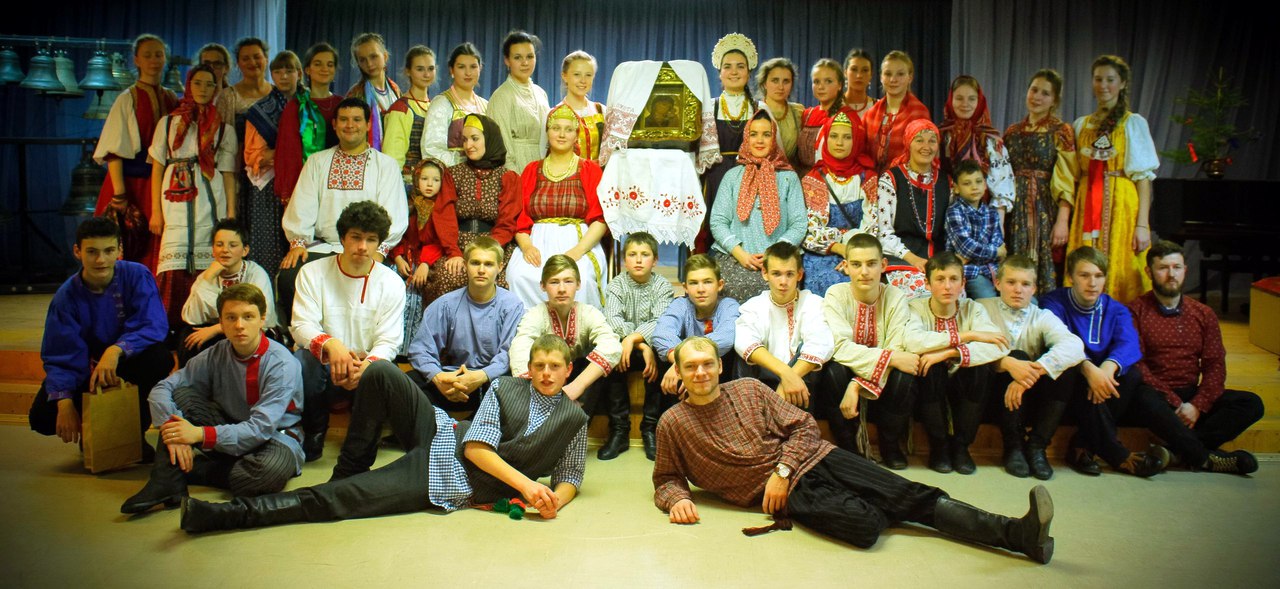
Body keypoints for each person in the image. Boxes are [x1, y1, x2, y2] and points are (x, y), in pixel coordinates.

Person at [653, 336, 1057, 564]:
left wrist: (782, 471)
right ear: (680, 372)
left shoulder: (749, 389)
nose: (701, 372)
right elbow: (666, 478)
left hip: (813, 460)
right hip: (791, 494)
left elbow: (804, 425)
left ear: (720, 366)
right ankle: (889, 502)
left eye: (707, 363)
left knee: (914, 494)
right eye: (691, 366)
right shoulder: (673, 423)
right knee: (865, 527)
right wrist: (678, 500)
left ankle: (1017, 534)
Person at [180, 334, 589, 532]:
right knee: (380, 372)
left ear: (568, 370)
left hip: (449, 478)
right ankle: (348, 471)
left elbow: (570, 475)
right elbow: (476, 448)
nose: (546, 373)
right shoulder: (504, 387)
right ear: (528, 368)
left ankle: (227, 515)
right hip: (446, 436)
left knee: (340, 502)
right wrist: (528, 486)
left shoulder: (574, 419)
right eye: (539, 366)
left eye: (555, 366)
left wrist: (553, 499)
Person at [121, 284, 303, 514]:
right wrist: (173, 431)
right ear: (221, 322)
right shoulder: (216, 353)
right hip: (228, 424)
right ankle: (166, 482)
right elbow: (163, 388)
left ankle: (191, 470)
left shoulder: (281, 363)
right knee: (180, 395)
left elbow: (260, 429)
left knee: (266, 475)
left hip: (275, 437)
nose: (239, 325)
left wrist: (198, 434)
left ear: (262, 319)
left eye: (248, 317)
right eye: (231, 317)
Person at [28, 218, 173, 455]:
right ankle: (94, 431)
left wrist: (116, 350)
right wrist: (64, 402)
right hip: (87, 372)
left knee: (159, 358)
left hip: (127, 362)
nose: (100, 260)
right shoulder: (66, 297)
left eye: (108, 250)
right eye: (92, 252)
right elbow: (61, 353)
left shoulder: (137, 275)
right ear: (77, 251)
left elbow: (152, 324)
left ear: (119, 250)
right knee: (42, 417)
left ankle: (133, 435)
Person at [1127, 241, 1262, 474]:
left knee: (1251, 403)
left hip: (1191, 395)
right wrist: (1177, 404)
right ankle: (1205, 458)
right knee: (1142, 396)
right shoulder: (1134, 311)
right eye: (1163, 268)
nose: (1171, 274)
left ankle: (1176, 452)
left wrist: (1197, 405)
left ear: (1185, 270)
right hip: (1155, 398)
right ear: (1149, 272)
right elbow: (1138, 365)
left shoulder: (1203, 313)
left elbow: (1215, 364)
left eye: (1177, 267)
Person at [290, 201, 405, 461]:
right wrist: (332, 345)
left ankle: (361, 440)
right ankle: (314, 431)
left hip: (364, 367)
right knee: (302, 361)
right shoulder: (312, 272)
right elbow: (301, 325)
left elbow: (389, 340)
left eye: (371, 239)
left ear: (379, 244)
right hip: (325, 363)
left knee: (384, 370)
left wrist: (366, 366)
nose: (362, 246)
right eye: (355, 237)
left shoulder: (392, 282)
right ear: (342, 238)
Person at [278, 97, 407, 325]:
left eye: (357, 120)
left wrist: (379, 250)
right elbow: (303, 204)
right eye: (344, 120)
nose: (350, 125)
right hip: (322, 248)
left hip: (365, 248)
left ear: (368, 124)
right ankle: (306, 337)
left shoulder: (386, 166)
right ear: (334, 124)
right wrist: (297, 242)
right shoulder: (317, 162)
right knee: (289, 276)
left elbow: (393, 214)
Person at [1041, 246, 1168, 477]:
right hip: (1068, 381)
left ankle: (1082, 446)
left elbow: (1129, 344)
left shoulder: (1116, 309)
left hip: (1101, 385)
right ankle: (1116, 453)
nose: (1092, 283)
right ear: (1070, 277)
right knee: (1075, 377)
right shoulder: (1052, 303)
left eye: (1099, 276)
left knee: (1132, 374)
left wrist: (1107, 368)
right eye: (1084, 275)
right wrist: (1088, 369)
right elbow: (1058, 342)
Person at [822, 233, 926, 469]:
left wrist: (857, 385)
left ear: (884, 265)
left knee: (905, 375)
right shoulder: (835, 294)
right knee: (833, 371)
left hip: (883, 382)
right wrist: (889, 358)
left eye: (871, 264)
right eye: (856, 264)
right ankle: (848, 445)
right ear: (846, 267)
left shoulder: (896, 297)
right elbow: (839, 347)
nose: (864, 272)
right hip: (847, 371)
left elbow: (897, 348)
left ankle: (889, 444)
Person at [1061, 55, 1158, 303]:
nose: (1103, 85)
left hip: (1121, 205)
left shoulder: (1132, 124)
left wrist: (1142, 225)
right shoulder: (1081, 125)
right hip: (1086, 205)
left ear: (1122, 83)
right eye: (1098, 79)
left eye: (1110, 79)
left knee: (1123, 261)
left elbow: (1143, 178)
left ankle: (1121, 317)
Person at [978, 256, 1085, 479]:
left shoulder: (1042, 316)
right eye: (1011, 282)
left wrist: (1032, 371)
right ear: (997, 283)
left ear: (1034, 289)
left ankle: (1037, 446)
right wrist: (1008, 364)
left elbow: (1074, 346)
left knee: (1067, 367)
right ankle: (1013, 446)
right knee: (1016, 356)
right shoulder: (981, 308)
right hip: (990, 395)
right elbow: (968, 348)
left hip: (1028, 395)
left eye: (1025, 284)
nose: (1018, 290)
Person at [733, 242, 848, 450]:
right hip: (767, 383)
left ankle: (801, 441)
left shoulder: (814, 303)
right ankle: (752, 437)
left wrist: (791, 378)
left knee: (812, 357)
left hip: (803, 384)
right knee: (742, 360)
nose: (783, 282)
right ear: (765, 274)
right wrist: (786, 375)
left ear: (800, 275)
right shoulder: (754, 306)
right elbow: (744, 341)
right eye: (776, 274)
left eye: (789, 274)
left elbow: (821, 343)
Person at [148, 65, 237, 328]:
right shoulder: (168, 124)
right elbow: (157, 167)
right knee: (175, 249)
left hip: (211, 194)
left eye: (209, 84)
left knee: (208, 249)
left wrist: (230, 212)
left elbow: (228, 172)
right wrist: (155, 211)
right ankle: (170, 324)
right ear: (188, 85)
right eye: (197, 83)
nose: (203, 89)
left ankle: (204, 320)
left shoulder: (222, 128)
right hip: (175, 194)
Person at [907, 253, 1009, 474]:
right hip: (930, 387)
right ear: (927, 283)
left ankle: (961, 446)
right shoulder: (916, 308)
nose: (947, 286)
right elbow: (913, 341)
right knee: (928, 364)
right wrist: (968, 335)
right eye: (940, 279)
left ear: (963, 283)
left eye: (953, 279)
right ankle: (940, 446)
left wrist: (950, 352)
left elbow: (998, 345)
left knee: (980, 368)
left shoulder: (973, 308)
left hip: (964, 385)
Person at [407, 236, 525, 416]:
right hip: (453, 379)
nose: (481, 270)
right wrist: (438, 377)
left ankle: (479, 426)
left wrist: (480, 376)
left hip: (490, 381)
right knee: (409, 381)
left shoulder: (512, 306)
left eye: (488, 264)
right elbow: (420, 349)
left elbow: (508, 354)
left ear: (500, 267)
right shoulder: (446, 304)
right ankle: (435, 423)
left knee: (513, 384)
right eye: (475, 263)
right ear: (465, 265)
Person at [507, 104, 609, 308]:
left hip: (579, 240)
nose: (562, 134)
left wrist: (578, 250)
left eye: (568, 129)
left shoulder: (589, 170)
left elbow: (600, 219)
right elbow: (520, 218)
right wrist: (527, 247)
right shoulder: (532, 169)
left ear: (576, 135)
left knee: (581, 279)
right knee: (518, 275)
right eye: (556, 128)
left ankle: (578, 327)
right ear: (547, 132)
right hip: (537, 242)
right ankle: (532, 327)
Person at [93, 34, 178, 268]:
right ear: (136, 60)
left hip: (161, 183)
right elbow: (114, 149)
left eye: (159, 55)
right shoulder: (127, 98)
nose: (154, 60)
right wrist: (120, 194)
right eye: (147, 55)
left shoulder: (170, 97)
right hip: (131, 184)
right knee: (129, 245)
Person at [709, 110, 806, 303]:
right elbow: (718, 221)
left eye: (766, 134)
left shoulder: (788, 178)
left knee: (777, 289)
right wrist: (740, 254)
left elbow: (799, 224)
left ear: (774, 139)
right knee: (732, 288)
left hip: (779, 260)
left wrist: (774, 254)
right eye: (753, 134)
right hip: (735, 257)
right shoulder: (732, 177)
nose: (759, 140)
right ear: (746, 138)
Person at [428, 113, 522, 301]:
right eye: (464, 140)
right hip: (458, 246)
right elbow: (444, 216)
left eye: (474, 138)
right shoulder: (453, 174)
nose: (468, 145)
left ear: (490, 139)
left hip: (495, 246)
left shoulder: (508, 177)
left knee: (504, 280)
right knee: (447, 276)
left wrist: (488, 251)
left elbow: (507, 221)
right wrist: (454, 253)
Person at [650, 254, 739, 451]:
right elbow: (661, 334)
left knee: (723, 356)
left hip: (718, 377)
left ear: (720, 285)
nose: (700, 289)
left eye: (707, 282)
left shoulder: (729, 305)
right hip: (685, 377)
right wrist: (681, 365)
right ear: (685, 287)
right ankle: (667, 432)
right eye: (694, 283)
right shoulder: (681, 304)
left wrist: (683, 363)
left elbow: (726, 338)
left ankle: (720, 433)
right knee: (661, 354)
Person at [599, 233, 675, 460]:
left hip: (650, 346)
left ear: (655, 259)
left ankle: (651, 429)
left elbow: (660, 321)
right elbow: (613, 320)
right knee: (610, 358)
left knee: (662, 359)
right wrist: (638, 344)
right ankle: (619, 430)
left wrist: (635, 339)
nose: (639, 260)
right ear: (625, 260)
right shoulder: (616, 284)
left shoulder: (662, 286)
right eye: (632, 254)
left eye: (645, 255)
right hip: (626, 347)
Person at [508, 255, 621, 406]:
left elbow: (611, 345)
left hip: (580, 383)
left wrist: (578, 386)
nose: (562, 289)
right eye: (554, 282)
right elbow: (519, 349)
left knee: (603, 364)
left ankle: (579, 415)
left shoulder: (589, 313)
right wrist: (538, 389)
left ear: (578, 284)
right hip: (546, 378)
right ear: (543, 286)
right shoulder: (535, 315)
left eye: (568, 281)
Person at [1003, 69, 1077, 294]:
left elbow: (1067, 177)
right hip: (1017, 210)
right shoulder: (1012, 132)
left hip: (1046, 209)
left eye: (1045, 93)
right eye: (1034, 90)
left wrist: (1062, 220)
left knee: (1047, 266)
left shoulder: (1061, 131)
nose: (1037, 97)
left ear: (1054, 100)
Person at [863, 119, 948, 298]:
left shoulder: (945, 181)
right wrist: (913, 259)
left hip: (938, 260)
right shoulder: (891, 179)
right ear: (908, 143)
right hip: (901, 259)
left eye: (932, 141)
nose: (926, 146)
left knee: (952, 293)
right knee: (923, 292)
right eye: (919, 140)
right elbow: (883, 233)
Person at [179, 219, 278, 366]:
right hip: (219, 328)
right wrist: (208, 278)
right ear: (213, 250)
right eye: (219, 245)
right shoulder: (207, 275)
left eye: (233, 245)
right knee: (189, 337)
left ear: (245, 250)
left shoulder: (255, 273)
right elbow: (192, 318)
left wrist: (216, 329)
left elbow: (262, 316)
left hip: (248, 329)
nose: (225, 250)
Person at [800, 108, 873, 295]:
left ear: (856, 140)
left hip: (861, 252)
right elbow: (809, 231)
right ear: (826, 138)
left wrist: (855, 255)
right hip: (822, 253)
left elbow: (872, 226)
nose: (839, 143)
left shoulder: (867, 178)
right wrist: (840, 248)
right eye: (834, 136)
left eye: (847, 137)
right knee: (826, 282)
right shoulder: (814, 179)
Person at [241, 50, 302, 275]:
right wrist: (289, 153)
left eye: (289, 71)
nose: (283, 76)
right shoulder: (260, 110)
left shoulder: (309, 104)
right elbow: (254, 155)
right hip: (269, 185)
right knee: (269, 242)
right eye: (277, 71)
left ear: (299, 73)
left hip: (304, 180)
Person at [699, 33, 760, 253]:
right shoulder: (708, 107)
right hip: (715, 178)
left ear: (749, 72)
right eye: (728, 66)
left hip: (750, 177)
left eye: (740, 66)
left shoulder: (760, 108)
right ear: (719, 73)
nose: (734, 72)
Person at [938, 75, 1016, 221]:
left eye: (971, 99)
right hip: (945, 214)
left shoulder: (990, 140)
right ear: (950, 100)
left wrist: (998, 225)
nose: (965, 104)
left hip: (982, 218)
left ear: (979, 102)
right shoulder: (940, 136)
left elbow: (1001, 184)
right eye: (959, 98)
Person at [274, 42, 343, 203]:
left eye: (330, 65)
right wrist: (289, 192)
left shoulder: (342, 104)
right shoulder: (296, 107)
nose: (324, 69)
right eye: (318, 64)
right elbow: (288, 153)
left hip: (337, 185)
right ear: (307, 70)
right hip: (304, 186)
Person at [391, 158, 447, 355]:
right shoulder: (407, 205)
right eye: (424, 179)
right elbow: (398, 234)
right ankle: (392, 345)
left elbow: (441, 240)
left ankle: (411, 350)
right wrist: (398, 257)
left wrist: (425, 263)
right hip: (405, 257)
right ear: (416, 180)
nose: (429, 184)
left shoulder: (443, 208)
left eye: (436, 180)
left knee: (416, 294)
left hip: (428, 259)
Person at [489, 30, 550, 173]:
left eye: (530, 56)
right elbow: (501, 148)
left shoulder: (541, 93)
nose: (525, 63)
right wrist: (515, 178)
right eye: (517, 57)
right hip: (518, 169)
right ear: (507, 60)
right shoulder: (501, 96)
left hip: (544, 168)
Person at [945, 160, 1005, 300]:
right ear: (956, 188)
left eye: (978, 182)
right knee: (988, 299)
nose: (974, 187)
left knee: (1027, 301)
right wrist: (995, 252)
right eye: (967, 183)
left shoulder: (991, 213)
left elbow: (998, 243)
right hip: (971, 272)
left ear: (985, 184)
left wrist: (992, 252)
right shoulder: (955, 211)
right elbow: (967, 248)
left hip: (993, 271)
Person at [862, 50, 931, 173]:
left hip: (905, 180)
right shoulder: (870, 114)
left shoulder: (919, 113)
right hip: (870, 180)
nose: (893, 79)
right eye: (888, 74)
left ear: (910, 77)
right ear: (881, 77)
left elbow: (925, 155)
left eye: (900, 74)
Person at [421, 42, 488, 167]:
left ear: (480, 68)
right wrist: (465, 166)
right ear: (451, 70)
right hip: (451, 175)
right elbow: (431, 150)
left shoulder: (486, 106)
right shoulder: (442, 104)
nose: (468, 73)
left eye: (473, 67)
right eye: (461, 67)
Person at [383, 45, 437, 185]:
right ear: (408, 71)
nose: (426, 74)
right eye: (420, 69)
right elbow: (392, 157)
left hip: (431, 184)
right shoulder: (401, 109)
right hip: (408, 183)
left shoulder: (435, 106)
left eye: (430, 69)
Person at [345, 32, 400, 150]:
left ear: (385, 56)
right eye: (362, 60)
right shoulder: (355, 95)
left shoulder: (395, 89)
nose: (369, 64)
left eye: (373, 57)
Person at [796, 58, 846, 177]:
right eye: (816, 81)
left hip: (831, 179)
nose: (821, 87)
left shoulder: (845, 116)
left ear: (839, 85)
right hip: (803, 178)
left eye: (828, 81)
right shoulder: (807, 114)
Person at [555, 51, 606, 161]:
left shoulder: (601, 110)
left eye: (588, 75)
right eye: (577, 74)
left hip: (600, 172)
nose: (583, 80)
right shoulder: (554, 114)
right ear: (564, 76)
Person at [756, 58, 805, 168]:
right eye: (775, 80)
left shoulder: (798, 112)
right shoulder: (754, 110)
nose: (781, 87)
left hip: (789, 173)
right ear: (764, 83)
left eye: (786, 81)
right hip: (759, 172)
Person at [841, 49, 875, 119]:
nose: (859, 75)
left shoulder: (878, 107)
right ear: (845, 73)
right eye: (854, 69)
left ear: (871, 74)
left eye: (865, 70)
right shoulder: (833, 105)